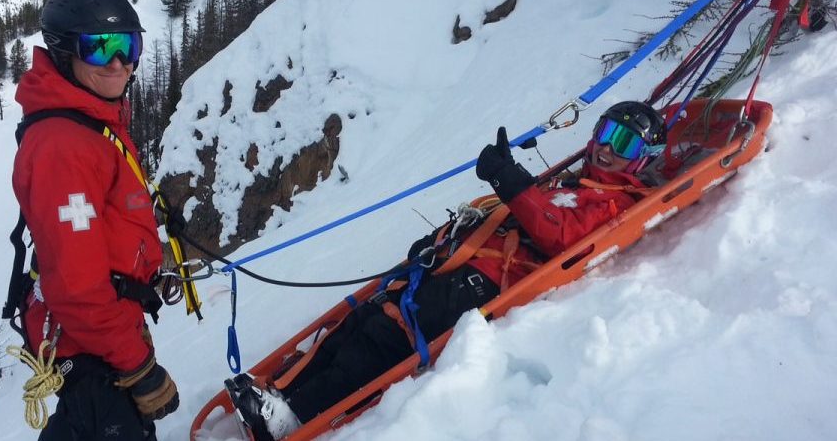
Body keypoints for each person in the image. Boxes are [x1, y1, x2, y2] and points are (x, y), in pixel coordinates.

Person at [227, 101, 668, 441]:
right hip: (466, 261)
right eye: (608, 134)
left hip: (489, 282)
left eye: (625, 143)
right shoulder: (576, 182)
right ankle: (280, 393)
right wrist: (445, 239)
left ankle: (297, 415)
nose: (609, 150)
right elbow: (529, 214)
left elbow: (562, 236)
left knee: (386, 335)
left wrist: (511, 181)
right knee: (368, 316)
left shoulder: (617, 202)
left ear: (643, 159)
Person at [12, 0, 178, 440]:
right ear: (66, 52)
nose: (120, 64)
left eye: (128, 47)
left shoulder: (93, 120)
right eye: (101, 49)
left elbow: (105, 233)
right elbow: (77, 288)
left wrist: (144, 273)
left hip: (105, 332)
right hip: (92, 346)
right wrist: (139, 366)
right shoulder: (65, 147)